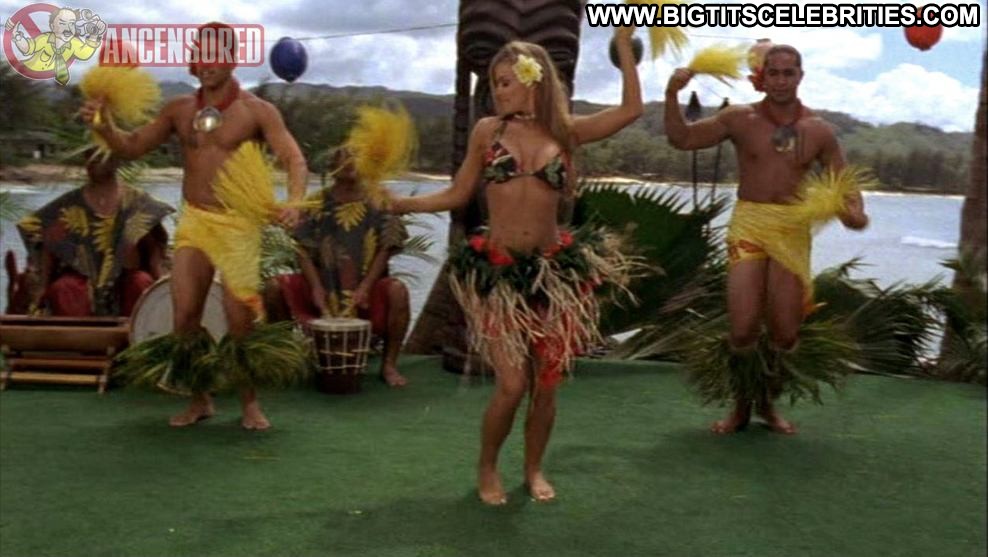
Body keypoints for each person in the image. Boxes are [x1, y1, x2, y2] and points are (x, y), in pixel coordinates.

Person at [389, 29, 642, 505]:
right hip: (499, 274)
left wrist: (625, 47)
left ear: (533, 80)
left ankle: (534, 467)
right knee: (512, 384)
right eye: (494, 83)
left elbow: (631, 111)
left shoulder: (564, 131)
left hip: (552, 274)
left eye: (506, 82)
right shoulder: (489, 131)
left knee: (546, 386)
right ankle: (487, 467)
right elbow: (457, 194)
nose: (497, 91)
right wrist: (403, 203)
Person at [81, 22, 308, 430]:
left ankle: (250, 403)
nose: (207, 62)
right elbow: (131, 146)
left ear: (233, 59)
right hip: (196, 220)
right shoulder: (180, 109)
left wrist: (293, 201)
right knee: (185, 315)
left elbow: (294, 158)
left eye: (215, 54)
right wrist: (103, 126)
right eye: (200, 54)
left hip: (238, 224)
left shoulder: (257, 111)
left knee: (240, 321)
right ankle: (200, 399)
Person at [664, 44, 870, 435]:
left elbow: (846, 184)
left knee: (784, 334)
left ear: (800, 76)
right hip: (750, 223)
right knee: (743, 330)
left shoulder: (819, 130)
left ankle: (767, 405)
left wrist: (855, 213)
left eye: (788, 73)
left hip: (792, 228)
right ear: (762, 76)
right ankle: (740, 408)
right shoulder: (740, 119)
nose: (780, 80)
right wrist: (672, 94)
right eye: (773, 72)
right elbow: (682, 139)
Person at [267, 147, 412, 387]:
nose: (350, 162)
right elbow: (302, 248)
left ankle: (389, 365)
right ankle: (286, 360)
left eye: (356, 157)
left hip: (366, 290)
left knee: (398, 291)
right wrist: (316, 287)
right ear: (332, 167)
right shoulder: (315, 202)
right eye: (344, 157)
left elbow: (386, 248)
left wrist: (366, 287)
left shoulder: (380, 201)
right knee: (274, 287)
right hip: (321, 286)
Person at [12, 150, 172, 317]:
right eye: (90, 157)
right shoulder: (68, 204)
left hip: (127, 276)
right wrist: (42, 287)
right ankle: (75, 333)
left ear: (115, 161)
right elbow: (47, 241)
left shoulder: (138, 202)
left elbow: (155, 248)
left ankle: (138, 330)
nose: (95, 161)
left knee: (141, 283)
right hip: (79, 278)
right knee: (64, 289)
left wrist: (160, 282)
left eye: (101, 156)